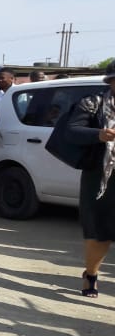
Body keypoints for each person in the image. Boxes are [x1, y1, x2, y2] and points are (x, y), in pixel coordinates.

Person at [65, 62, 115, 298]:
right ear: (111, 81)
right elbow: (71, 130)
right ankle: (91, 274)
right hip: (101, 175)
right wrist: (99, 134)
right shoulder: (92, 103)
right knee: (99, 229)